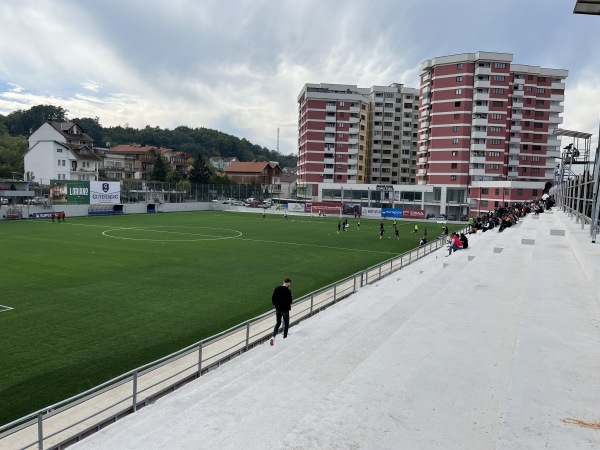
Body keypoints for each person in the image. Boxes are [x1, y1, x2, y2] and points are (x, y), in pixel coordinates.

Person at [270, 278, 293, 346]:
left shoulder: (277, 288)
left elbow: (273, 299)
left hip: (278, 309)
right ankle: (285, 338)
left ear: (283, 282)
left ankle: (273, 337)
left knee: (278, 323)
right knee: (286, 324)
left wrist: (276, 305)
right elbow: (290, 301)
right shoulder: (288, 291)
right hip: (285, 310)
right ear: (288, 283)